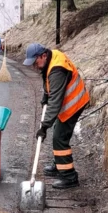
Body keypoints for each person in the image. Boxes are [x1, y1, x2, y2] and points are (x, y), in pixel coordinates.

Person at [23, 42, 90, 189]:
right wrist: (45, 96)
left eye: (35, 62)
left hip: (74, 102)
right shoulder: (51, 59)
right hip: (68, 100)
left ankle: (69, 176)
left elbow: (55, 101)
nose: (35, 66)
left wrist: (44, 126)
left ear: (43, 55)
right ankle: (60, 164)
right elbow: (49, 83)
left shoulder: (57, 69)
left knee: (59, 137)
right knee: (58, 132)